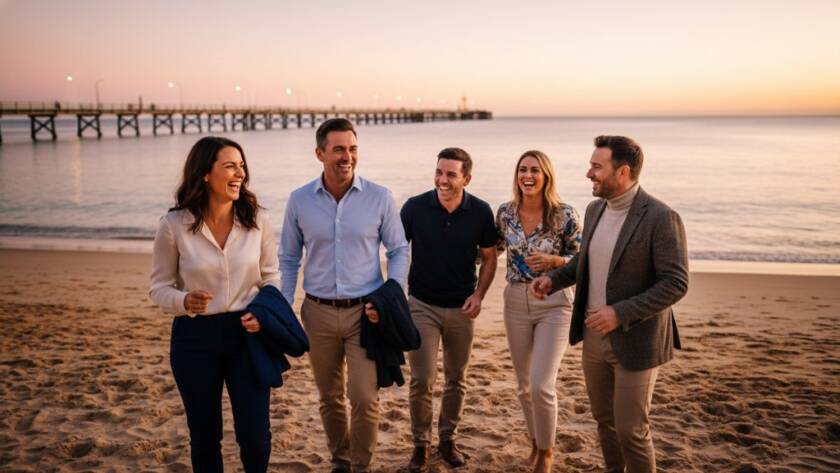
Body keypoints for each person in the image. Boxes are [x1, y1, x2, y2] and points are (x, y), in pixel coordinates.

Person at [531, 136, 688, 473]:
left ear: (623, 171)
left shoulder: (661, 217)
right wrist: (553, 279)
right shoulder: (595, 209)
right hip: (593, 337)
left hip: (638, 340)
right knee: (605, 423)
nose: (589, 173)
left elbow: (676, 283)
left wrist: (620, 312)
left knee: (632, 430)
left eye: (597, 167)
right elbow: (583, 262)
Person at [278, 118, 409, 473]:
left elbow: (399, 250)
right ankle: (340, 462)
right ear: (320, 153)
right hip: (317, 314)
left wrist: (392, 294)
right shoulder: (299, 201)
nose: (346, 156)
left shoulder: (380, 197)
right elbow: (289, 257)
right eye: (338, 149)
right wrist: (284, 304)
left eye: (352, 148)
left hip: (365, 314)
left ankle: (361, 466)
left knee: (365, 398)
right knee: (330, 397)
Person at [149, 136, 279, 473]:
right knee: (204, 435)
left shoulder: (257, 220)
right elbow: (158, 288)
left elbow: (271, 277)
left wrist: (262, 314)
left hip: (247, 335)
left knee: (255, 436)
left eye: (242, 165)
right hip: (195, 337)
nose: (240, 173)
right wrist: (184, 300)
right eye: (230, 166)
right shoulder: (173, 225)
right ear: (205, 173)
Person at [399, 147, 497, 472]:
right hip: (422, 305)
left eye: (451, 174)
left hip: (461, 307)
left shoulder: (481, 212)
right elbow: (397, 249)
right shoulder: (414, 207)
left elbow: (490, 257)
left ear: (466, 178)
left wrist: (480, 295)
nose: (443, 179)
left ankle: (447, 439)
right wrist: (395, 289)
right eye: (439, 172)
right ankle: (420, 444)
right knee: (421, 379)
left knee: (457, 379)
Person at [496, 150, 581, 473]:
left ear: (546, 176)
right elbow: (490, 252)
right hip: (515, 301)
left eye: (534, 170)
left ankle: (546, 453)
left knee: (542, 383)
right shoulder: (505, 213)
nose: (527, 176)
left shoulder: (564, 214)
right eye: (522, 169)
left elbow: (584, 258)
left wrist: (555, 262)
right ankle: (535, 441)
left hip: (554, 304)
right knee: (523, 385)